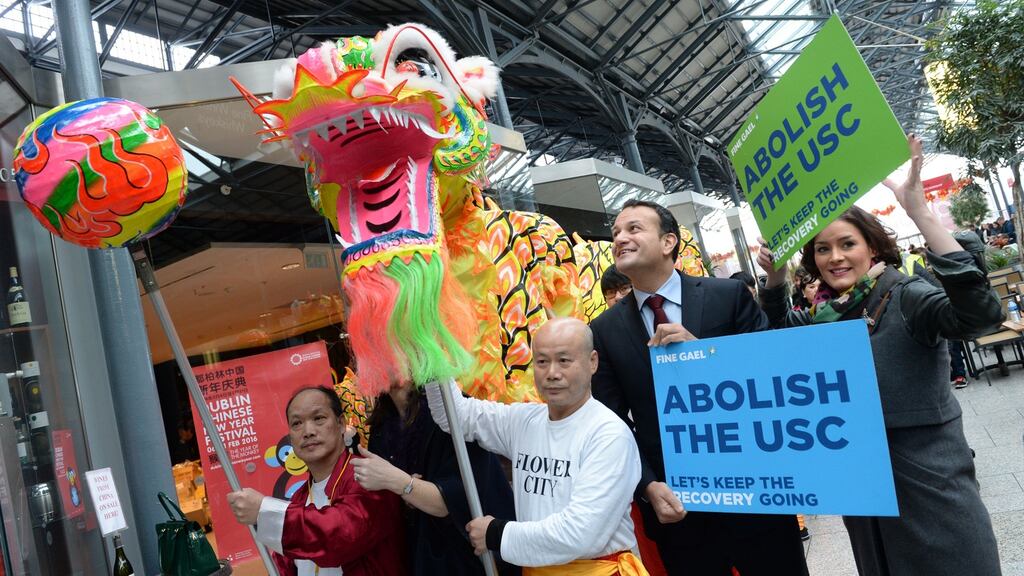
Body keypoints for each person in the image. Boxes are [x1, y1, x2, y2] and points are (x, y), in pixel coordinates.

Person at [756, 134, 1002, 576]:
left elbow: (980, 316)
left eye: (847, 244)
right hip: (864, 491)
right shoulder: (823, 316)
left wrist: (920, 211)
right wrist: (774, 281)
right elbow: (775, 341)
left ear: (872, 245)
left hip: (929, 487)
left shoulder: (906, 294)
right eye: (822, 248)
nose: (835, 257)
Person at [590, 198, 807, 576]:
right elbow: (611, 424)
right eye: (616, 233)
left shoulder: (728, 296)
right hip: (678, 509)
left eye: (633, 229)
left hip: (754, 491)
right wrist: (647, 485)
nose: (620, 238)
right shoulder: (604, 331)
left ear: (669, 241)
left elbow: (770, 376)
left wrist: (707, 357)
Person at [427, 317, 648, 575]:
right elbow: (456, 417)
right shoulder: (525, 421)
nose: (552, 373)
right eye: (542, 362)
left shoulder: (609, 434)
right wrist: (430, 355)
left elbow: (579, 533)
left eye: (564, 361)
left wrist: (496, 533)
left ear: (592, 362)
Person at [226, 386, 405, 576]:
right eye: (297, 423)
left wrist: (264, 511)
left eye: (318, 418)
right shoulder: (299, 497)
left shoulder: (368, 477)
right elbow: (286, 565)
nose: (308, 431)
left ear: (341, 424)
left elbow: (337, 537)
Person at [352, 380, 520, 576]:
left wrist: (401, 483)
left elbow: (451, 501)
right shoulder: (383, 424)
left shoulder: (450, 410)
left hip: (465, 557)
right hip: (417, 555)